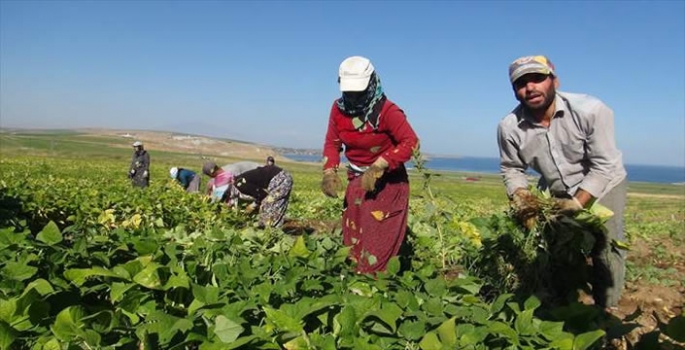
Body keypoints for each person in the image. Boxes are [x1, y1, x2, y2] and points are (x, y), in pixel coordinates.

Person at [496, 55, 627, 309]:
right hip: (556, 189)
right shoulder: (509, 127)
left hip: (606, 183)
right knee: (561, 250)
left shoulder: (590, 110)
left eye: (537, 78)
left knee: (605, 248)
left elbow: (603, 166)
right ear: (514, 91)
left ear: (554, 80)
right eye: (521, 83)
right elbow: (512, 168)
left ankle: (606, 311)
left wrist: (576, 204)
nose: (530, 87)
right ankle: (569, 306)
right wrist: (521, 198)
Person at [320, 56, 419, 274]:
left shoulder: (388, 111)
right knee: (354, 235)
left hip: (388, 183)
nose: (354, 98)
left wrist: (380, 165)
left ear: (372, 83)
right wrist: (329, 171)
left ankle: (376, 289)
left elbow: (410, 142)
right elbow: (332, 143)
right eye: (349, 93)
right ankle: (355, 283)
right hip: (356, 180)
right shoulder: (338, 110)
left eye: (359, 92)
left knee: (378, 240)